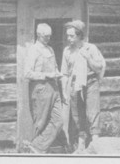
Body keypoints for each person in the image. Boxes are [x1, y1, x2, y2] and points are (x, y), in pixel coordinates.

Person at [61, 20, 106, 152]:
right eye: (67, 36)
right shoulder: (67, 51)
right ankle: (81, 145)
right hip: (74, 84)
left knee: (92, 113)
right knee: (77, 114)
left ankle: (96, 144)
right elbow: (64, 73)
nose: (69, 39)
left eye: (72, 36)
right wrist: (64, 90)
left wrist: (88, 58)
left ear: (79, 35)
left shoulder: (90, 48)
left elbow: (99, 67)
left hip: (90, 82)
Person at [23, 23, 63, 153]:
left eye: (50, 36)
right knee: (40, 123)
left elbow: (55, 67)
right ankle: (35, 151)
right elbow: (27, 73)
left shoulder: (50, 49)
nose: (48, 39)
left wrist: (58, 73)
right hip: (40, 88)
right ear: (39, 35)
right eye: (46, 36)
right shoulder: (33, 50)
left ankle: (37, 146)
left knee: (59, 120)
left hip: (54, 88)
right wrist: (46, 75)